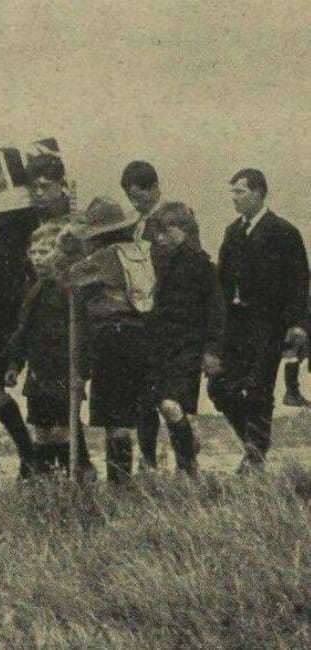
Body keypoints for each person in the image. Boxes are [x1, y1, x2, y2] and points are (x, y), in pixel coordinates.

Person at [0, 154, 73, 480]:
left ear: (62, 186)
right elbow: (3, 267)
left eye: (45, 187)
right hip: (7, 316)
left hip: (50, 319)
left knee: (54, 402)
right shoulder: (15, 221)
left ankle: (58, 467)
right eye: (34, 188)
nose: (39, 193)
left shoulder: (73, 222)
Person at [209, 169, 309, 472]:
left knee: (258, 389)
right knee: (219, 388)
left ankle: (254, 457)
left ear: (258, 193)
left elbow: (299, 282)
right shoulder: (232, 232)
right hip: (236, 326)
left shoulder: (283, 232)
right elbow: (222, 282)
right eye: (233, 192)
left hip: (269, 325)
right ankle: (254, 446)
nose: (234, 199)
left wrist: (297, 324)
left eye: (240, 192)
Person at [59, 197, 157, 485]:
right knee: (125, 413)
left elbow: (66, 279)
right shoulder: (138, 252)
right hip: (138, 333)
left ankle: (119, 484)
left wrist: (65, 245)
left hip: (111, 336)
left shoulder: (103, 258)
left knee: (114, 417)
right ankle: (124, 480)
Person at [140, 203, 225, 477]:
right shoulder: (153, 263)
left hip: (187, 346)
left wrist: (212, 350)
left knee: (170, 405)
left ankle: (188, 468)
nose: (161, 238)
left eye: (167, 231)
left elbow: (216, 310)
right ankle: (171, 459)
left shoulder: (202, 265)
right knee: (156, 405)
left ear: (185, 230)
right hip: (157, 346)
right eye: (157, 233)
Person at [120, 160, 189, 470]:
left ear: (155, 189)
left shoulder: (174, 218)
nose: (136, 202)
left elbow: (185, 269)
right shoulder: (135, 224)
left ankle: (188, 464)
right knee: (141, 400)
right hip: (142, 321)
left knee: (167, 401)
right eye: (131, 197)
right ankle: (149, 462)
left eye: (140, 196)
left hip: (167, 323)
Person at [5, 224, 80, 473]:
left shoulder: (68, 289)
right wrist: (15, 364)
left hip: (63, 370)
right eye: (34, 252)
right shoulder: (33, 290)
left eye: (45, 251)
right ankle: (44, 485)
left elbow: (80, 332)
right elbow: (22, 332)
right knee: (41, 430)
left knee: (61, 429)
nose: (38, 258)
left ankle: (72, 480)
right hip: (39, 371)